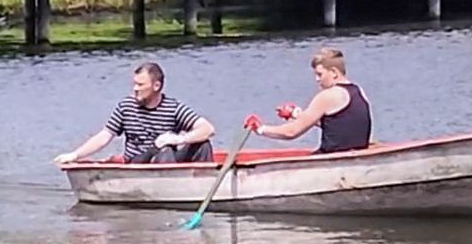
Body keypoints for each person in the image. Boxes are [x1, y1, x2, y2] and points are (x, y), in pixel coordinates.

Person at [55, 62, 216, 165]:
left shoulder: (173, 107)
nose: (135, 89)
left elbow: (207, 129)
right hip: (138, 161)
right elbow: (104, 136)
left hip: (168, 160)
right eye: (134, 84)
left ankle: (201, 190)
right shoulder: (126, 106)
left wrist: (179, 139)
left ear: (156, 86)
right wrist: (75, 155)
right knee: (165, 151)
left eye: (140, 85)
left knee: (202, 144)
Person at [245, 47, 372, 154]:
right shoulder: (359, 91)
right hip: (355, 155)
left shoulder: (327, 96)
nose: (317, 79)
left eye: (320, 74)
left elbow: (291, 132)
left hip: (330, 158)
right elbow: (338, 125)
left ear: (334, 72)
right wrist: (296, 114)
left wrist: (260, 129)